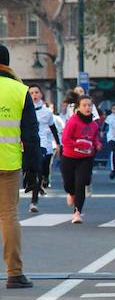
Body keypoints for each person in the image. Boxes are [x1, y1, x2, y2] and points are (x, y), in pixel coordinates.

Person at [0, 44, 41, 288]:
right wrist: (34, 169)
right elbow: (31, 135)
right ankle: (14, 273)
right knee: (8, 217)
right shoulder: (19, 90)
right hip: (8, 163)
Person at [60, 95, 102, 224]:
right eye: (84, 105)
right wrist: (80, 144)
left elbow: (94, 138)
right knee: (69, 184)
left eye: (89, 105)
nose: (87, 107)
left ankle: (77, 212)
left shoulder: (94, 124)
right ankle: (70, 193)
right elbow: (65, 140)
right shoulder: (73, 121)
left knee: (81, 184)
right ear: (78, 107)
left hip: (85, 158)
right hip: (69, 157)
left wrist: (97, 144)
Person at [26, 85, 60, 213]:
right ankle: (36, 181)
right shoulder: (24, 109)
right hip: (27, 143)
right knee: (30, 170)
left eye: (36, 92)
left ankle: (34, 202)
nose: (34, 95)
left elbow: (53, 128)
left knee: (39, 170)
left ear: (41, 95)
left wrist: (58, 143)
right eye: (31, 93)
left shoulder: (46, 112)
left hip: (43, 144)